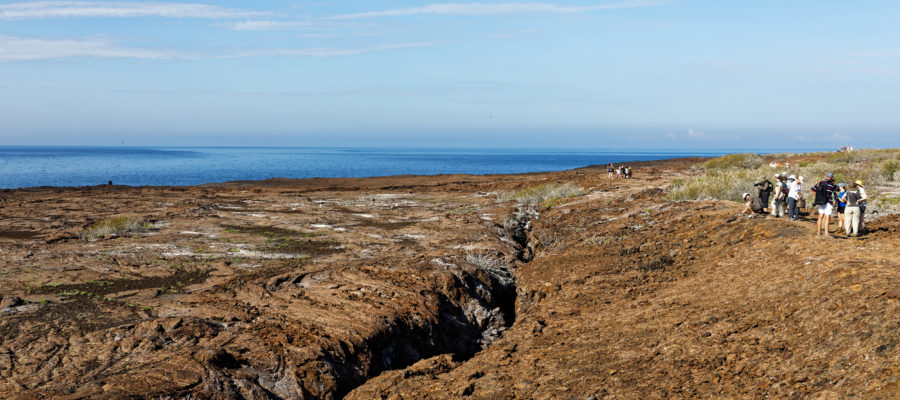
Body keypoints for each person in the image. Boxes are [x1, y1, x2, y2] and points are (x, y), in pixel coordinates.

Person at [811, 172, 839, 236]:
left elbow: (812, 189)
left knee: (820, 216)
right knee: (827, 217)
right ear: (831, 178)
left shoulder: (819, 183)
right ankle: (826, 233)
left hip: (821, 202)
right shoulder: (832, 184)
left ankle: (819, 232)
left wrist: (817, 195)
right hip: (829, 202)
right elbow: (838, 189)